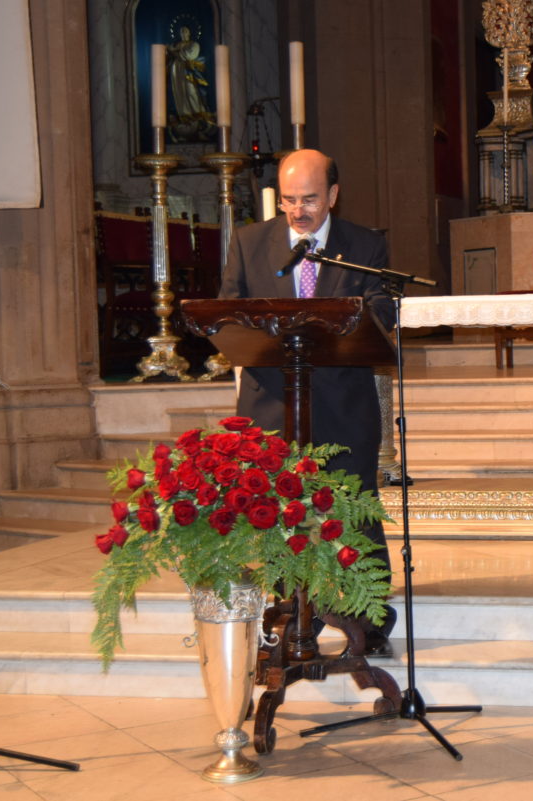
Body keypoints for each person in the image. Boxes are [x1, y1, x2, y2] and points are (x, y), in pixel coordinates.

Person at [219, 148, 396, 653]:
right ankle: (294, 616)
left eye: (310, 199)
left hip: (342, 403)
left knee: (356, 509)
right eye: (289, 200)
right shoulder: (250, 242)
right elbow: (229, 310)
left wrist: (331, 322)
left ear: (333, 195)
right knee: (279, 515)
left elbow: (382, 310)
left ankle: (371, 615)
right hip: (271, 403)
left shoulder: (363, 245)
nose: (298, 211)